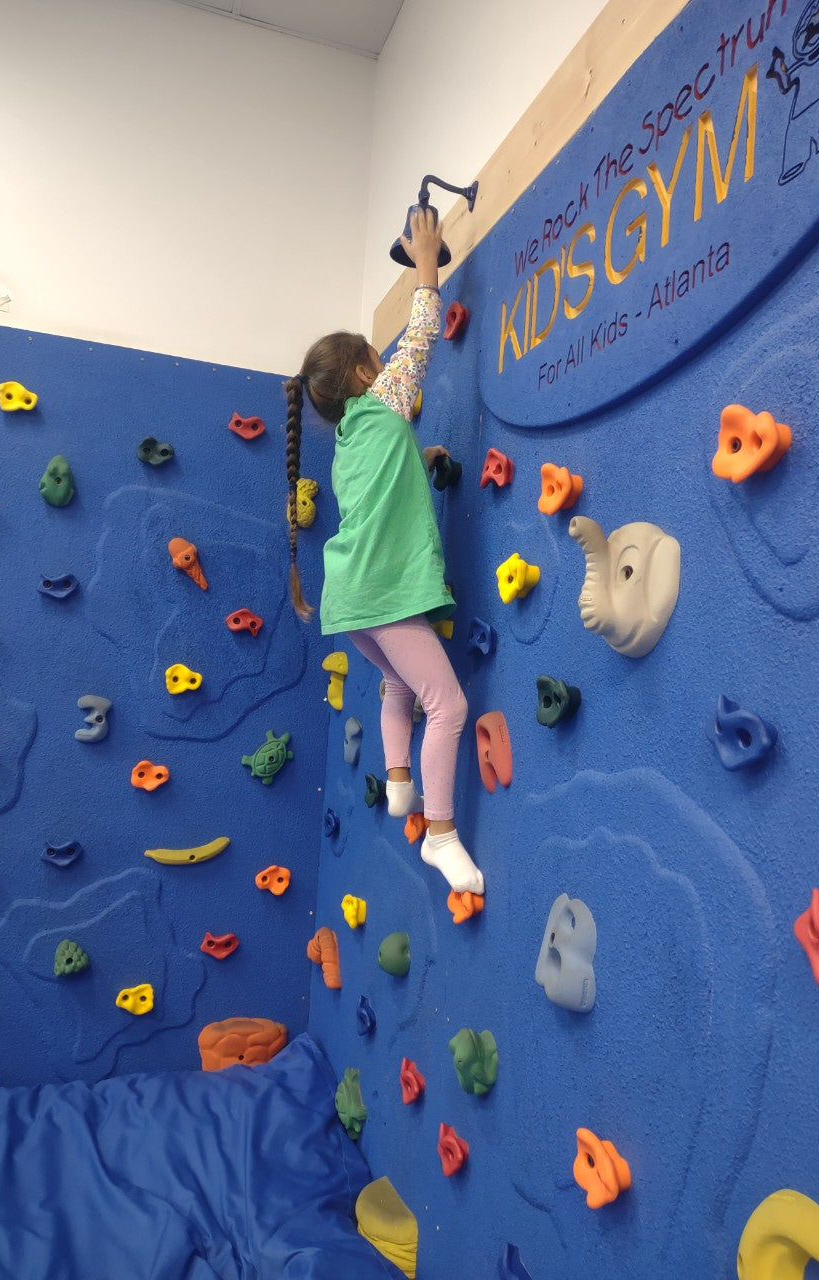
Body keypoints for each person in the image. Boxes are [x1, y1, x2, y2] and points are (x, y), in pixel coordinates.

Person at [283, 207, 484, 897]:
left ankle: (399, 780)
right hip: (377, 590)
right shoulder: (385, 399)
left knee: (400, 684)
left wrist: (419, 455)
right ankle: (441, 836)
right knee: (448, 705)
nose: (389, 362)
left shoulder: (348, 441)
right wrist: (427, 257)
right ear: (369, 372)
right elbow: (424, 331)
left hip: (348, 598)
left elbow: (378, 491)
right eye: (379, 356)